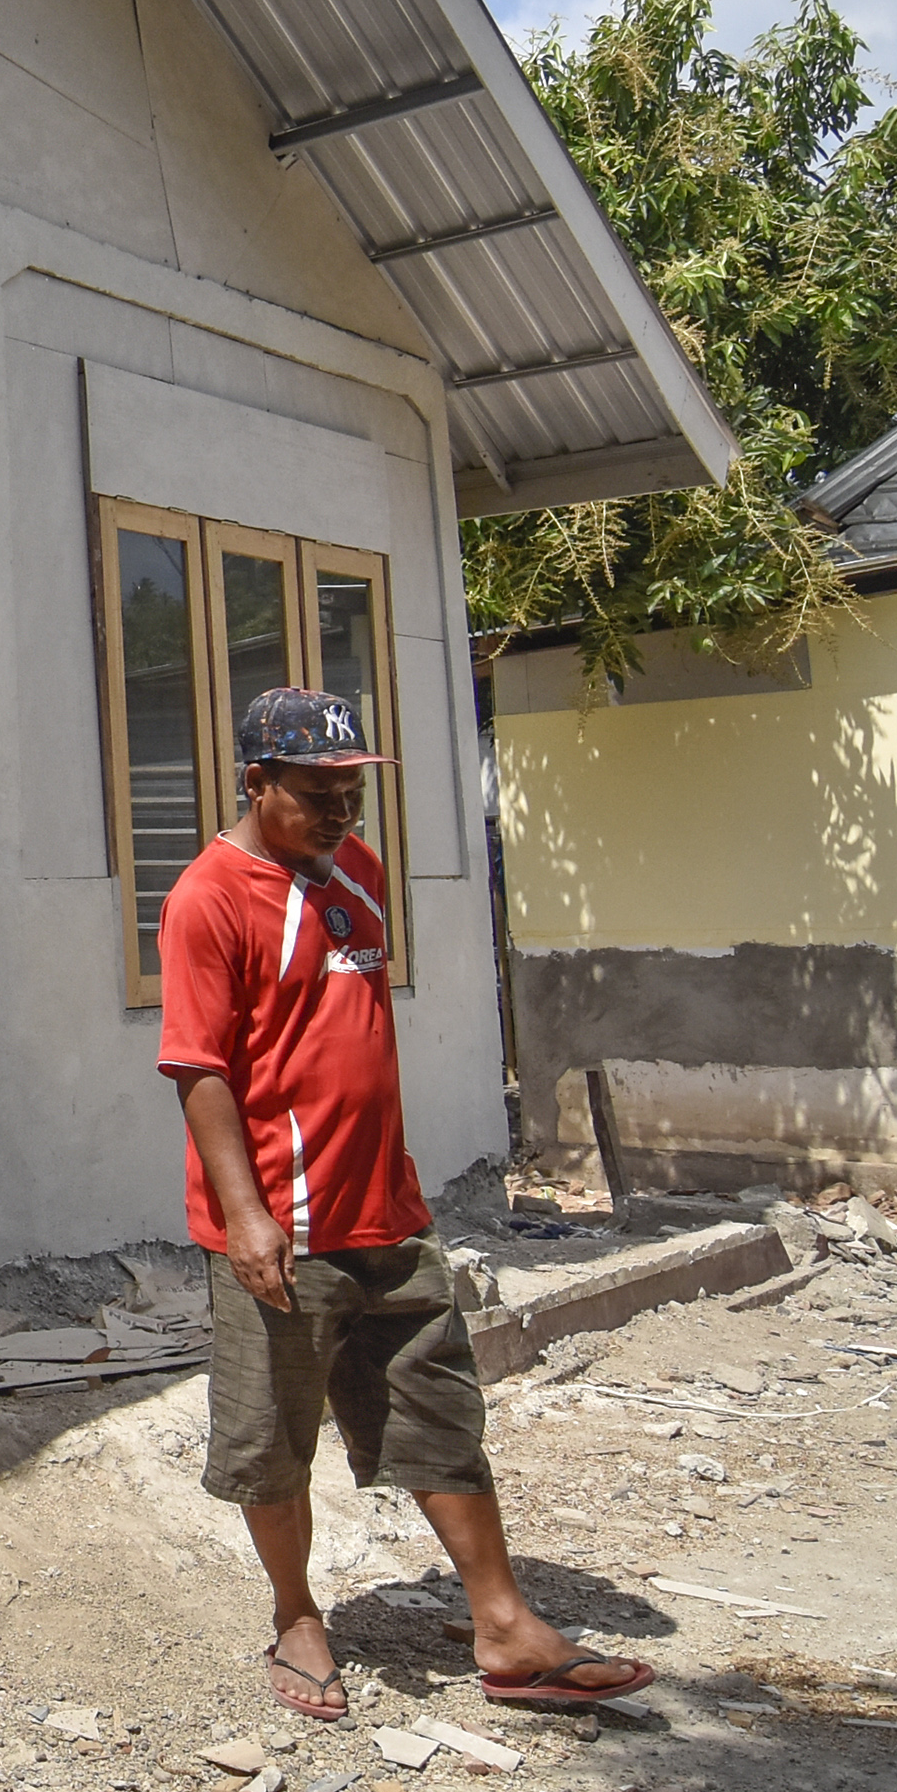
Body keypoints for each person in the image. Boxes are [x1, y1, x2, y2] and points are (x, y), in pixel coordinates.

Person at [158, 684, 656, 1719]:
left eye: (352, 789)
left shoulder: (361, 877)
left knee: (440, 1413)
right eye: (317, 791)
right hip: (281, 1227)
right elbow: (199, 1067)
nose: (341, 810)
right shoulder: (207, 896)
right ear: (256, 781)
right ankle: (296, 1614)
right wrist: (245, 1214)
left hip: (387, 1209)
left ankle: (505, 1625)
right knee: (272, 1435)